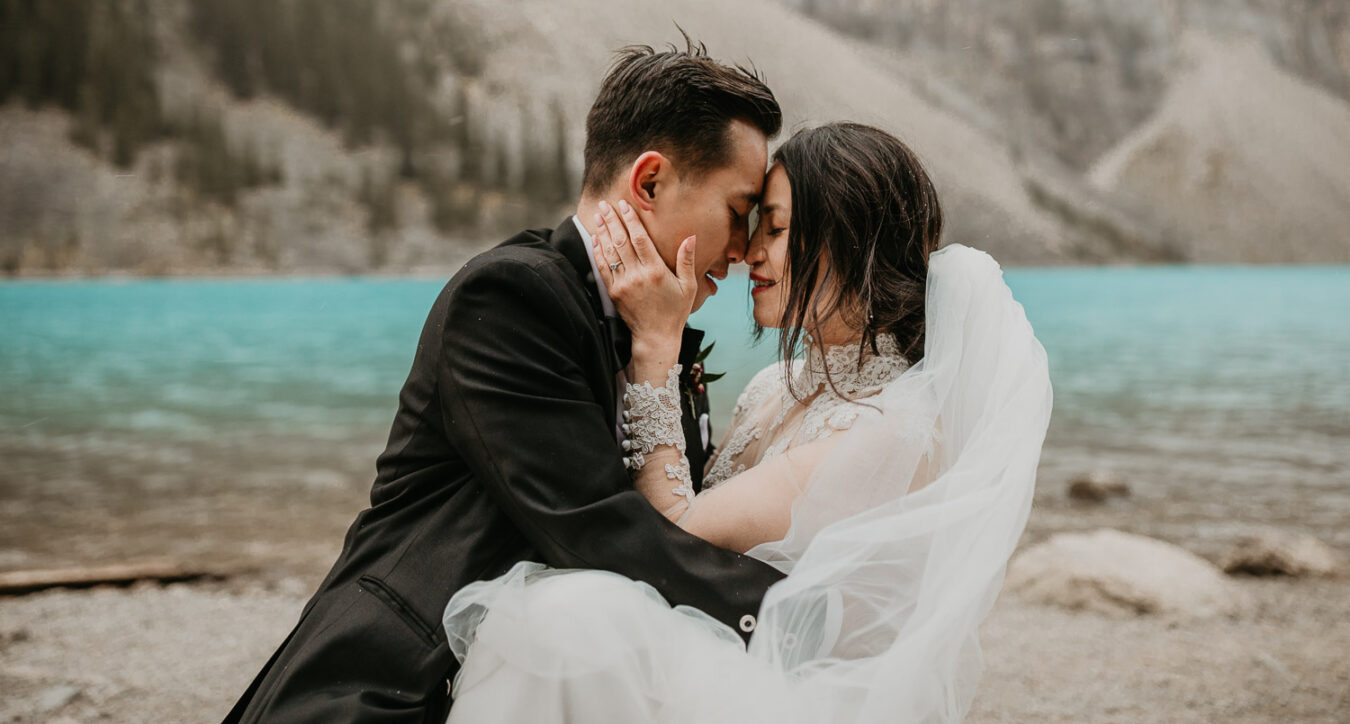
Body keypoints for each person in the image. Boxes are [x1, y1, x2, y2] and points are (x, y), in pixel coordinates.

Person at [222, 39, 787, 723]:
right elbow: (596, 527)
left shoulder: (655, 331)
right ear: (649, 183)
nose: (742, 247)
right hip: (397, 684)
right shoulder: (513, 296)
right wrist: (789, 612)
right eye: (737, 211)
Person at [442, 122, 1053, 723]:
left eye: (777, 229)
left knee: (573, 616)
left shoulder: (890, 430)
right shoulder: (772, 388)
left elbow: (676, 526)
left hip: (801, 693)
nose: (749, 253)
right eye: (754, 225)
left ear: (854, 242)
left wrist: (658, 347)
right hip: (732, 645)